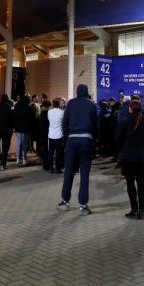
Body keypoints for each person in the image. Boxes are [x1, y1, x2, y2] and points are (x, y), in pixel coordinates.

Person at [58, 84, 98, 216]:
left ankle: (65, 201)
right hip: (86, 140)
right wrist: (95, 141)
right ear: (87, 92)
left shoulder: (70, 104)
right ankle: (83, 206)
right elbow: (96, 125)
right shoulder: (91, 105)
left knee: (68, 171)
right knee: (84, 173)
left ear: (77, 92)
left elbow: (64, 123)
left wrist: (66, 138)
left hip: (72, 140)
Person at [116, 99, 144, 219]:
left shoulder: (124, 122)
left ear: (130, 109)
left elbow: (118, 139)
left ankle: (134, 209)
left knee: (130, 183)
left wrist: (122, 149)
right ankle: (142, 210)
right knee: (141, 183)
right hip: (141, 156)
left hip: (128, 156)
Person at [0, 94, 14, 171]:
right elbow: (12, 119)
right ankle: (2, 165)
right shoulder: (10, 107)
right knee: (5, 147)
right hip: (7, 130)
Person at [12, 94, 35, 166]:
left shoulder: (16, 106)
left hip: (18, 128)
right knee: (24, 144)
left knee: (18, 143)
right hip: (26, 128)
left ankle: (18, 159)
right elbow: (32, 118)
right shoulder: (28, 107)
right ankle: (24, 159)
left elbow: (14, 117)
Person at [46, 98, 65, 173]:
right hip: (59, 135)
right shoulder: (62, 112)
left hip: (51, 134)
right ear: (58, 104)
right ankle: (57, 168)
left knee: (51, 152)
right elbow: (63, 123)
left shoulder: (49, 112)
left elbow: (49, 120)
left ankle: (51, 168)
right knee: (58, 152)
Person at [39, 100, 51, 170]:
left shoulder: (42, 113)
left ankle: (45, 164)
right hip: (48, 133)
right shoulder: (49, 113)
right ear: (49, 106)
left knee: (44, 149)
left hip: (43, 133)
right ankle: (48, 164)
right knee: (49, 149)